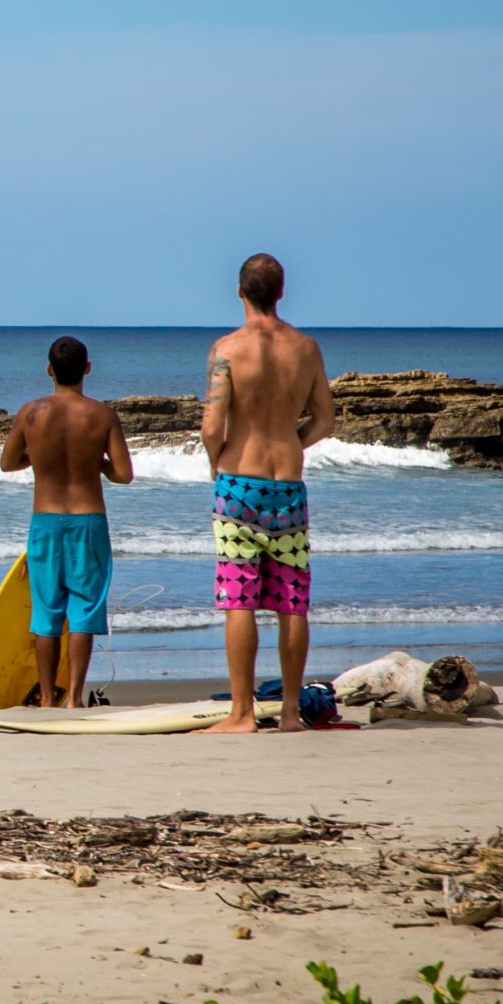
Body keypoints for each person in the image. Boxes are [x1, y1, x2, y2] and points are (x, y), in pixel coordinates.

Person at [200, 253, 333, 734]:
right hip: (289, 488)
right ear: (281, 293)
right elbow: (326, 420)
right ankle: (293, 713)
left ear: (240, 291)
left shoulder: (227, 349)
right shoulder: (307, 349)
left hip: (239, 482)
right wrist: (290, 442)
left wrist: (219, 461)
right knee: (291, 601)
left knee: (239, 599)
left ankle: (242, 713)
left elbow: (212, 423)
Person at [0, 335, 134, 708]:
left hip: (45, 522)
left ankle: (46, 697)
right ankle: (73, 697)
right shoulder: (102, 416)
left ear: (49, 370)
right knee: (84, 611)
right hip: (88, 523)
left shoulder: (29, 413)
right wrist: (98, 462)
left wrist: (39, 459)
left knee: (46, 613)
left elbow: (8, 463)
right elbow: (124, 474)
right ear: (87, 368)